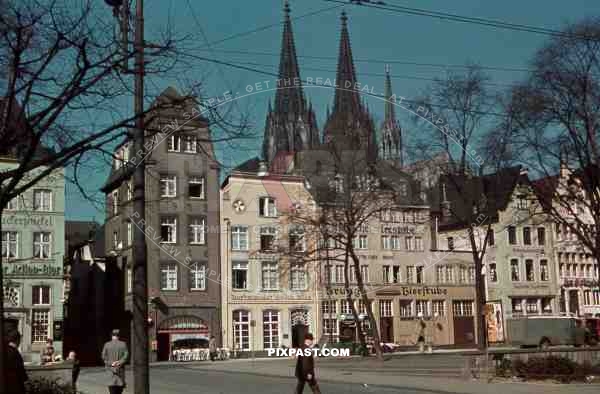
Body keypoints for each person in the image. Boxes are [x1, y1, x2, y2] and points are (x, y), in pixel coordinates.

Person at [102, 329, 129, 394]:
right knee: (119, 391)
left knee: (112, 391)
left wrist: (111, 363)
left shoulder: (107, 345)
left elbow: (103, 356)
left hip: (110, 372)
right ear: (118, 336)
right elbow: (126, 356)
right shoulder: (123, 344)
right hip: (120, 373)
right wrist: (119, 362)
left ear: (112, 336)